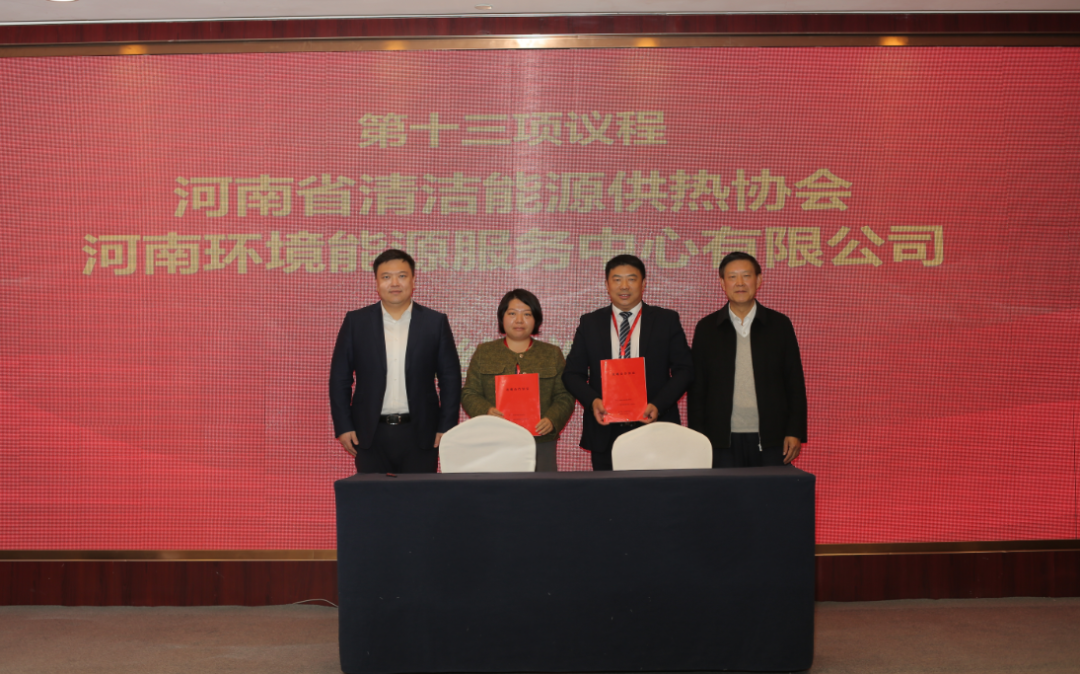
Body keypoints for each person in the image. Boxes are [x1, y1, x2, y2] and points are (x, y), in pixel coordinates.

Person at [329, 249, 461, 474]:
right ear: (376, 283)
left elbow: (450, 379)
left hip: (422, 433)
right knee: (372, 495)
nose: (395, 283)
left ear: (413, 280)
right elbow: (340, 379)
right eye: (386, 277)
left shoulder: (435, 323)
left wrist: (446, 427)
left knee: (419, 494)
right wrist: (343, 426)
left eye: (402, 276)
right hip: (369, 433)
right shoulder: (356, 322)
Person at [562, 254, 694, 471]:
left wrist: (658, 405)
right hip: (606, 427)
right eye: (617, 279)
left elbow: (685, 370)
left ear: (643, 283)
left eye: (631, 279)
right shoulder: (590, 323)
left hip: (654, 425)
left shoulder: (665, 320)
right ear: (607, 285)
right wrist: (593, 401)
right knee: (608, 491)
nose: (624, 286)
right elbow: (572, 374)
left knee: (656, 491)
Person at [687, 251, 807, 468]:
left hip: (772, 438)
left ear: (759, 280)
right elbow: (697, 389)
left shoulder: (779, 325)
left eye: (746, 276)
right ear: (722, 283)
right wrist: (698, 437)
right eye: (732, 277)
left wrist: (794, 431)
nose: (740, 283)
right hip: (721, 440)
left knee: (770, 491)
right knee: (725, 491)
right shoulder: (707, 328)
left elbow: (794, 382)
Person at [460, 289, 575, 472]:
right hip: (494, 441)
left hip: (540, 441)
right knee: (497, 489)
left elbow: (565, 395)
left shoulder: (552, 353)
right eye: (512, 313)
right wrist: (486, 411)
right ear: (502, 317)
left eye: (527, 314)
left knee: (541, 488)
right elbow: (469, 393)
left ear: (536, 319)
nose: (519, 320)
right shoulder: (484, 351)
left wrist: (552, 419)